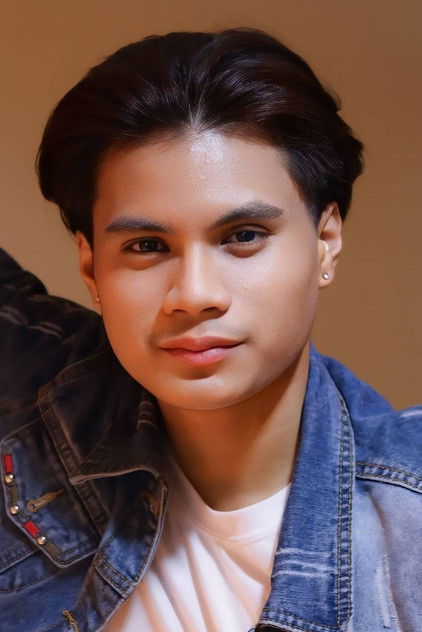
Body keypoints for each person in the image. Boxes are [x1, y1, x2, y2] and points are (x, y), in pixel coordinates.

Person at [0, 26, 420, 632]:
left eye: (243, 236)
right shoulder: (32, 393)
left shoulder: (408, 516)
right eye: (147, 246)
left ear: (325, 241)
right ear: (91, 268)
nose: (194, 295)